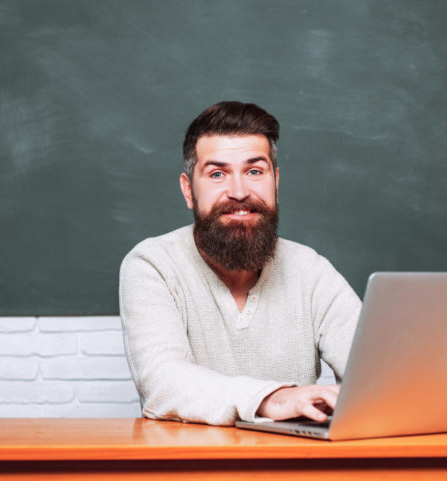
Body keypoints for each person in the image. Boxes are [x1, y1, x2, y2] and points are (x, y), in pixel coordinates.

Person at [119, 101, 362, 426]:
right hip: (191, 471)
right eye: (217, 174)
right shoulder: (152, 265)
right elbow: (162, 384)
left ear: (275, 181)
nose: (239, 191)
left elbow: (376, 377)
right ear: (188, 190)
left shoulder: (312, 270)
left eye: (254, 171)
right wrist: (271, 399)